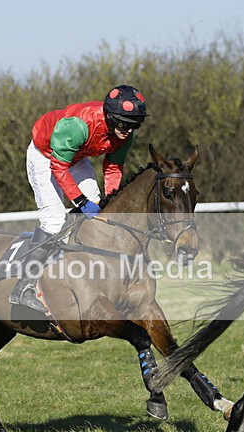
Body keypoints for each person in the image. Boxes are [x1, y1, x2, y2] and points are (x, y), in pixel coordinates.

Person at [9, 85, 148, 312]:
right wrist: (81, 202)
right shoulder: (79, 125)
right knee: (54, 221)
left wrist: (111, 199)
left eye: (135, 125)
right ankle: (23, 287)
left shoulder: (124, 134)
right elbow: (59, 167)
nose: (129, 130)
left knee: (99, 209)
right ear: (111, 117)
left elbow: (113, 167)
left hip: (75, 157)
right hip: (46, 155)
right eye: (124, 124)